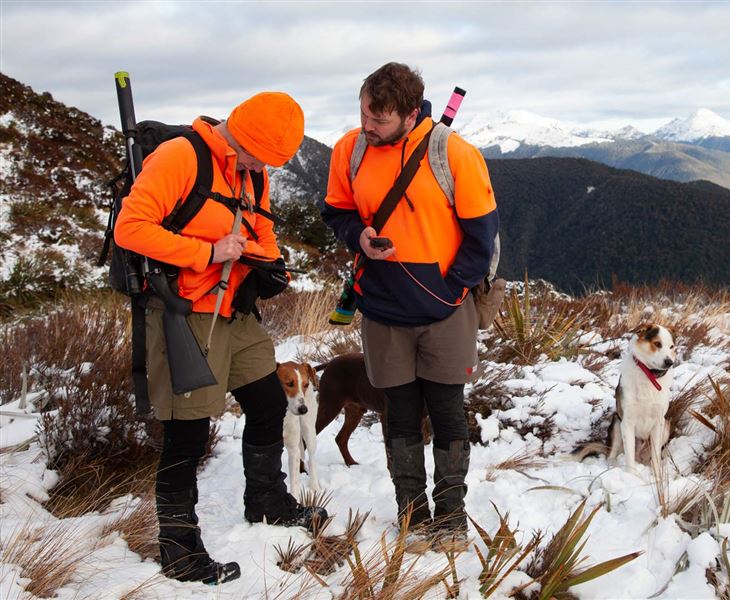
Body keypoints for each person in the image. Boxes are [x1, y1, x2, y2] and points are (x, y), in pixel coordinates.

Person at [115, 92, 327, 585]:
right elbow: (131, 228)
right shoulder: (180, 157)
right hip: (184, 312)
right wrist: (207, 251)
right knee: (187, 432)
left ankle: (267, 499)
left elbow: (263, 235)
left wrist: (270, 266)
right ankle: (179, 548)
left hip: (235, 311)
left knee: (267, 400)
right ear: (241, 133)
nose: (263, 167)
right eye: (260, 155)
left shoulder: (255, 173)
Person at [320, 63, 499, 541]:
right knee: (398, 415)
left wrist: (452, 289)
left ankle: (451, 516)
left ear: (410, 113)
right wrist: (359, 236)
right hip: (382, 312)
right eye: (363, 114)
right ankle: (412, 513)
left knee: (446, 412)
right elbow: (335, 210)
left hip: (445, 310)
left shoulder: (454, 154)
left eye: (379, 120)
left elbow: (482, 237)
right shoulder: (349, 150)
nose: (367, 127)